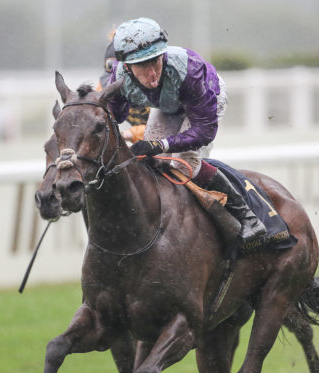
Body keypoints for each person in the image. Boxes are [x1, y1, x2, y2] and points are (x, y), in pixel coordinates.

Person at [107, 17, 266, 245]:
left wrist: (160, 144)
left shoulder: (189, 70)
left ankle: (247, 217)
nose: (152, 73)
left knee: (183, 164)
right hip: (167, 104)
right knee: (151, 163)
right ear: (126, 66)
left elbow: (203, 131)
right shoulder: (119, 77)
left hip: (206, 98)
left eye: (155, 61)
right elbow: (112, 117)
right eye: (142, 65)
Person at [97, 32, 149, 143]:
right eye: (111, 66)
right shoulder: (102, 86)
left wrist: (131, 133)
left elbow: (169, 126)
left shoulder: (157, 80)